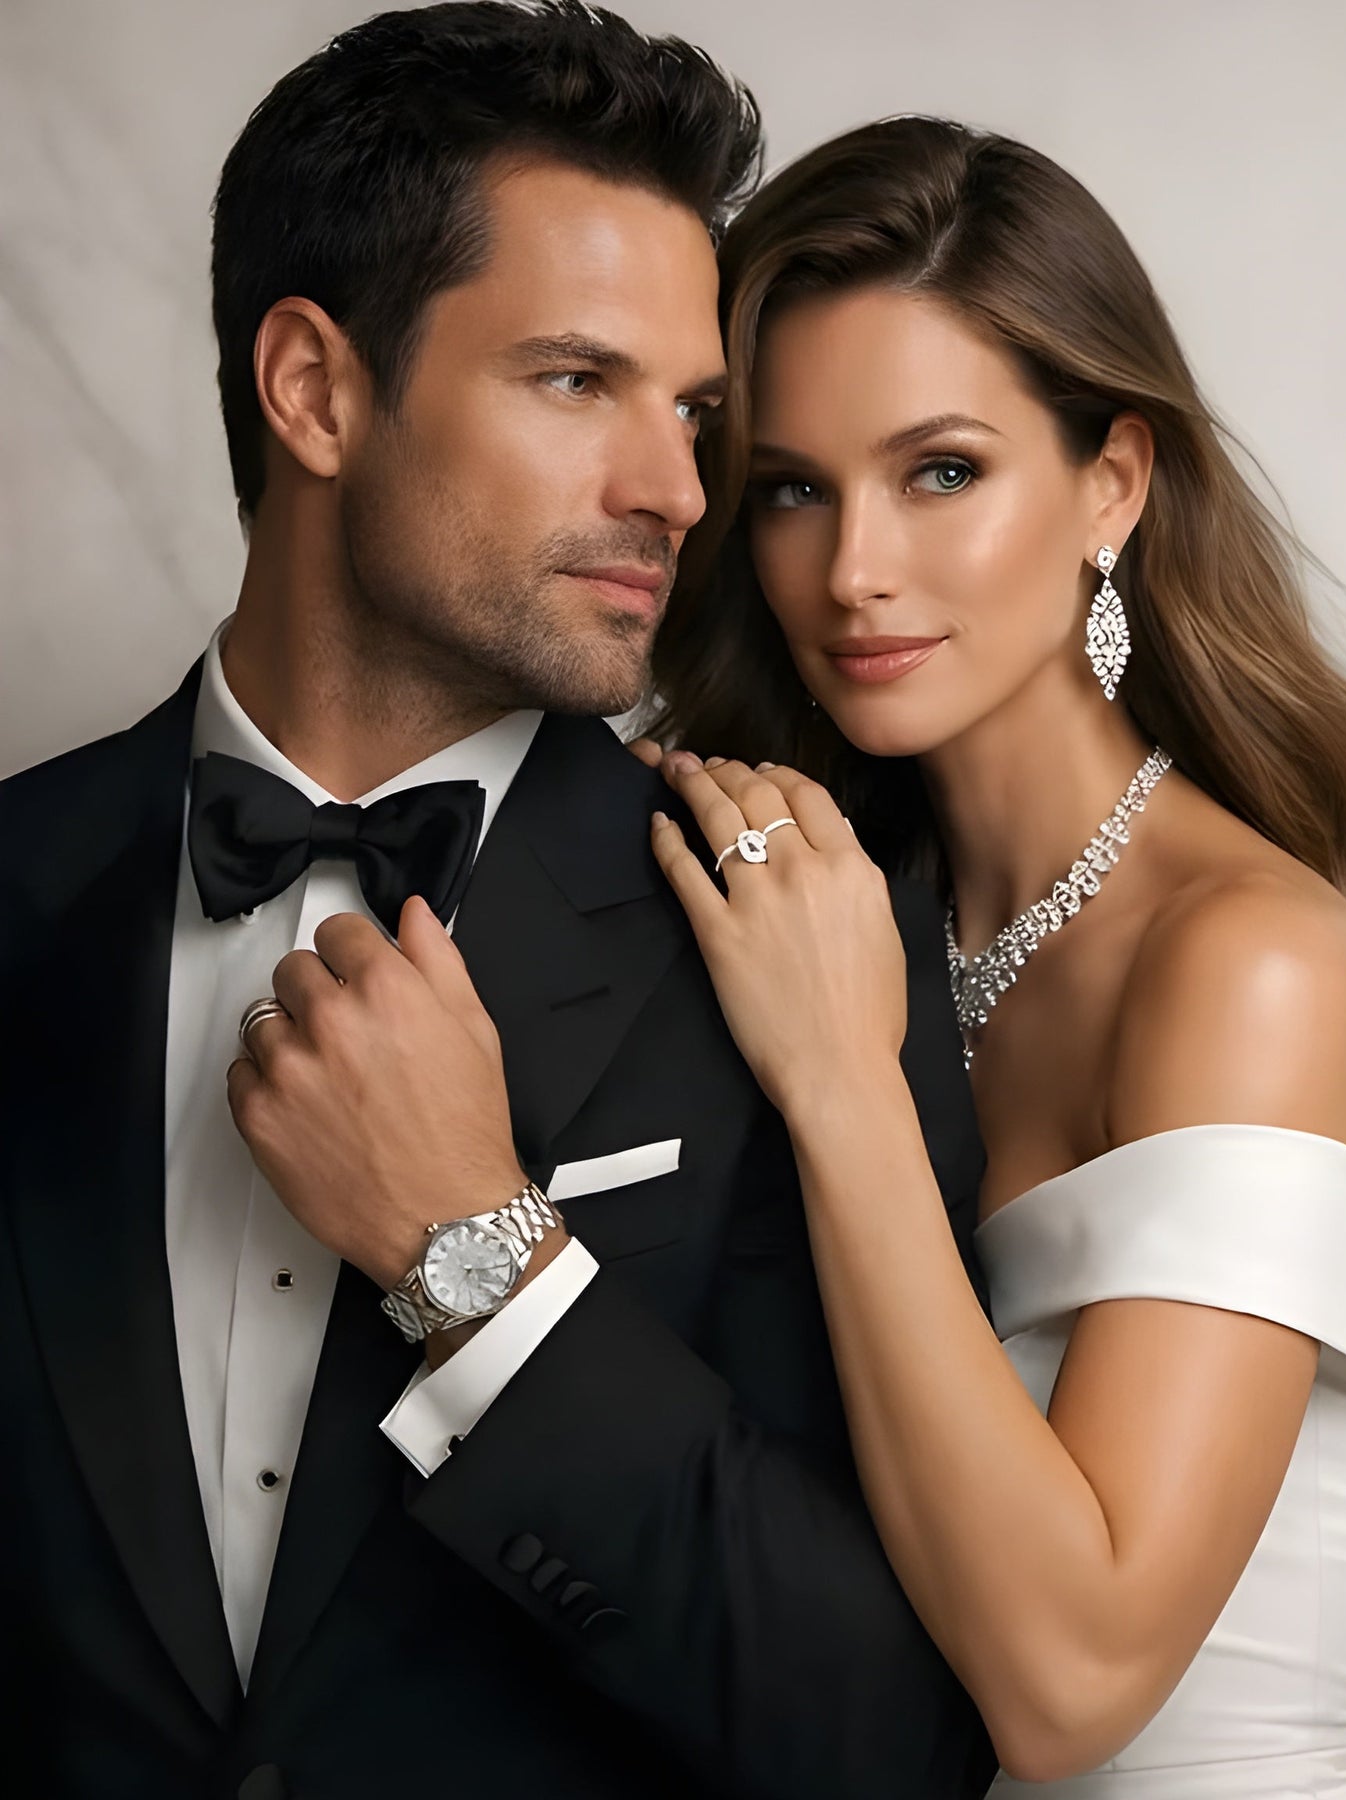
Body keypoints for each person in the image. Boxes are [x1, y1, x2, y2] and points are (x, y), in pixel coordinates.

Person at [0, 8, 997, 1795]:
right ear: (313, 388)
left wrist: (483, 1261)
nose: (678, 490)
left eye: (692, 413)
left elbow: (888, 1737)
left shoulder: (791, 931)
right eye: (573, 382)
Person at [628, 116, 1346, 1794]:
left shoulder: (1248, 963)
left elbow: (1072, 1683)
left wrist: (843, 1087)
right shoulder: (842, 914)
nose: (855, 571)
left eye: (943, 471)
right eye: (791, 492)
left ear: (1111, 484)